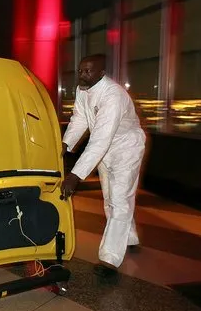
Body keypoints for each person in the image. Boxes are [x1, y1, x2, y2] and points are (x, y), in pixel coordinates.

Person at [60, 54, 146, 278]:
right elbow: (79, 119)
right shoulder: (82, 90)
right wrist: (65, 144)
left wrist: (75, 176)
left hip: (126, 149)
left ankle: (110, 259)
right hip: (106, 150)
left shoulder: (113, 96)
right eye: (80, 70)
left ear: (101, 73)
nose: (82, 75)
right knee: (111, 198)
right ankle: (130, 237)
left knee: (119, 200)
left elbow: (100, 140)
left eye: (88, 71)